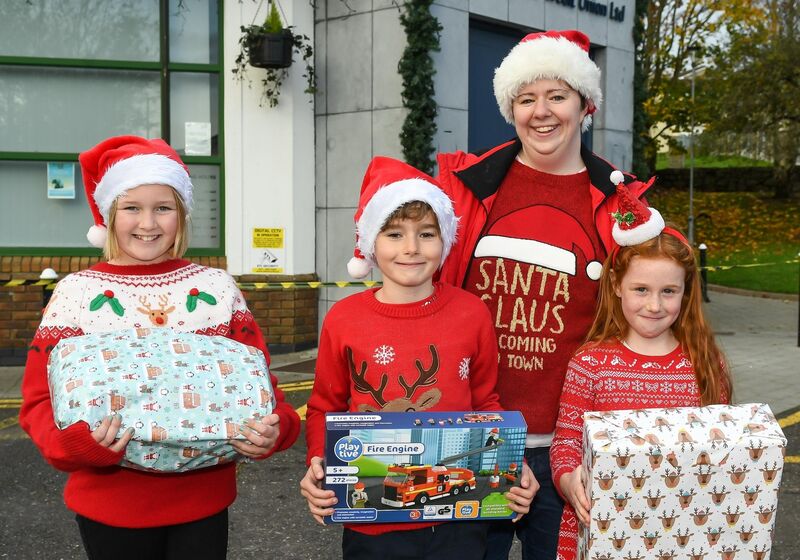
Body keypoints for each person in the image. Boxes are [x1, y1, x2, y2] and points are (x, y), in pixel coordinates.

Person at [19, 135, 300, 560]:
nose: (147, 223)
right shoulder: (76, 294)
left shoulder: (216, 289)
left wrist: (276, 428)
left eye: (162, 208)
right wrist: (74, 446)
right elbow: (39, 400)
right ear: (110, 215)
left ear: (182, 215)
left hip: (203, 502)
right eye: (132, 207)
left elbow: (261, 387)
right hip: (110, 504)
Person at [434, 29, 656, 560]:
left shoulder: (624, 207)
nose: (541, 112)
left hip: (574, 448)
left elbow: (655, 316)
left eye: (557, 95)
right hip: (473, 436)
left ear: (586, 105)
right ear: (510, 108)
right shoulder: (463, 190)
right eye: (526, 98)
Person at [300, 156, 538, 560]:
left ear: (444, 239)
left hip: (459, 523)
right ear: (371, 242)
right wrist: (318, 465)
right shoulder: (344, 319)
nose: (411, 248)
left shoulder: (471, 312)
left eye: (426, 233)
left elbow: (486, 404)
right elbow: (325, 406)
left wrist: (511, 464)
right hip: (373, 521)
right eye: (394, 234)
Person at [549, 173, 733, 560]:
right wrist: (569, 481)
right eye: (641, 290)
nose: (654, 305)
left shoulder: (704, 362)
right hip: (603, 528)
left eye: (669, 291)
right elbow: (566, 443)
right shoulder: (591, 363)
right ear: (616, 285)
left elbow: (721, 447)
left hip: (684, 529)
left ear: (686, 292)